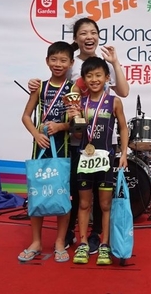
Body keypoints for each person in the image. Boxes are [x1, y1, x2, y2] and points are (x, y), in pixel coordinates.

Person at [27, 17, 130, 255]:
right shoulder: (70, 65)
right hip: (74, 141)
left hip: (102, 143)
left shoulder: (104, 65)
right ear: (76, 38)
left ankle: (96, 236)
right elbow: (53, 87)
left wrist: (115, 62)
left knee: (100, 194)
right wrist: (35, 84)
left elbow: (123, 92)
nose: (88, 37)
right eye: (83, 33)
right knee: (76, 189)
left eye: (93, 32)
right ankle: (71, 234)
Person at [17, 41, 79, 263]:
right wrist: (36, 134)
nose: (58, 64)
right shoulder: (40, 87)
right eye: (54, 59)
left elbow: (77, 123)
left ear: (71, 63)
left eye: (63, 60)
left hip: (63, 148)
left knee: (62, 194)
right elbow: (26, 115)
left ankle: (60, 241)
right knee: (37, 193)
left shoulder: (73, 89)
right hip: (40, 148)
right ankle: (36, 241)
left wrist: (61, 126)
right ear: (47, 61)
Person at [69, 56, 129, 265]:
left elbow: (123, 128)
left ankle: (104, 244)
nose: (94, 79)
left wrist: (123, 154)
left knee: (105, 205)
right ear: (83, 80)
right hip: (84, 159)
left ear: (106, 78)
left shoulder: (114, 101)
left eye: (98, 75)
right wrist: (74, 118)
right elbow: (77, 135)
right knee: (84, 204)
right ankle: (83, 243)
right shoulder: (80, 103)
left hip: (106, 159)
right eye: (89, 76)